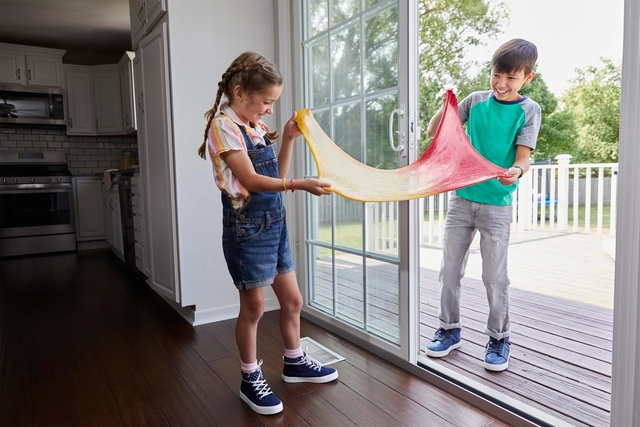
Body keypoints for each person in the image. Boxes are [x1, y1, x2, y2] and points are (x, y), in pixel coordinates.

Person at [198, 51, 338, 415]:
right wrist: (301, 184)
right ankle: (249, 378)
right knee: (255, 307)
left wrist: (288, 139)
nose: (269, 110)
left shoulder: (255, 127)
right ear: (241, 92)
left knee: (293, 301)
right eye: (266, 102)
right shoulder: (224, 126)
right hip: (247, 227)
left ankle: (294, 362)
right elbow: (251, 181)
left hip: (274, 223)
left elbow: (275, 177)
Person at [424, 39, 541, 372]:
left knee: (494, 276)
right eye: (496, 75)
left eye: (511, 78)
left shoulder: (528, 110)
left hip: (497, 205)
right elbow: (436, 132)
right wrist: (448, 105)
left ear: (527, 78)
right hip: (462, 200)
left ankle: (499, 337)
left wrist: (515, 172)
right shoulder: (474, 102)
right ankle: (449, 331)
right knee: (448, 271)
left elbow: (522, 159)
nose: (501, 84)